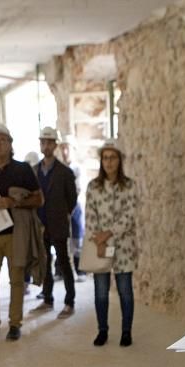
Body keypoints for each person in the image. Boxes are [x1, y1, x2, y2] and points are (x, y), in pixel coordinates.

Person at [0, 124, 44, 341]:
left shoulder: (22, 169)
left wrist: (13, 202)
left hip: (16, 234)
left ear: (10, 144)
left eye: (3, 140)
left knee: (16, 281)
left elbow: (39, 198)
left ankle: (15, 323)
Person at [85, 138, 138, 347]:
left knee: (125, 291)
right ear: (101, 160)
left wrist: (108, 234)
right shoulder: (93, 187)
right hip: (100, 247)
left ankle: (126, 332)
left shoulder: (129, 186)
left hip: (124, 247)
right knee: (100, 292)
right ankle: (102, 330)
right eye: (105, 158)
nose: (109, 162)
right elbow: (90, 216)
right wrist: (97, 239)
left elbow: (129, 215)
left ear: (119, 160)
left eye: (113, 157)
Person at [30, 127, 78, 319]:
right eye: (43, 142)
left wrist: (63, 214)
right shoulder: (34, 171)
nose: (46, 145)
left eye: (50, 142)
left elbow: (72, 199)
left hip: (58, 224)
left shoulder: (65, 172)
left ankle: (69, 301)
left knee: (64, 262)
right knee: (45, 261)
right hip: (41, 224)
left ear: (55, 145)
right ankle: (48, 299)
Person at [60, 134, 87, 282]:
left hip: (76, 207)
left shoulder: (77, 168)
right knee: (65, 240)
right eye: (63, 148)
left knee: (77, 238)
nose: (65, 151)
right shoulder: (60, 168)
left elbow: (78, 189)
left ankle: (80, 270)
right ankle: (64, 270)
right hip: (62, 208)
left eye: (67, 148)